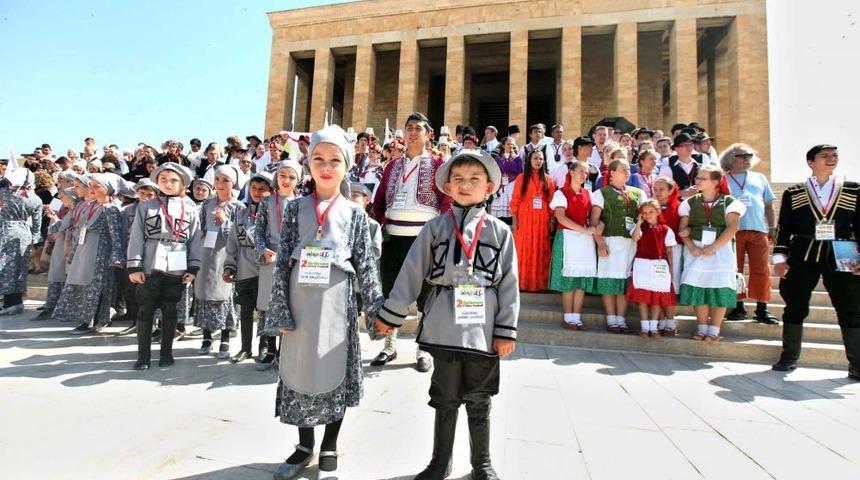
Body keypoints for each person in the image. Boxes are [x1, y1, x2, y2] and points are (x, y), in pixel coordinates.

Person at [375, 148, 518, 480]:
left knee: (480, 399)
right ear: (448, 187)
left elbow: (509, 283)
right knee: (445, 397)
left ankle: (481, 464)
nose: (465, 185)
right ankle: (440, 463)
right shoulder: (435, 228)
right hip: (443, 326)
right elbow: (411, 272)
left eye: (474, 180)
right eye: (458, 179)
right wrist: (392, 314)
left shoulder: (500, 232)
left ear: (489, 187)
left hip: (482, 328)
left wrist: (505, 331)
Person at [263, 125, 383, 480]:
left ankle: (330, 443)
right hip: (300, 301)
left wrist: (377, 310)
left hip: (337, 302)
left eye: (334, 161)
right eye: (318, 159)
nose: (326, 167)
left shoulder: (355, 214)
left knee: (333, 370)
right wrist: (280, 308)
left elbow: (365, 264)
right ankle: (304, 445)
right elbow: (284, 258)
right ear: (308, 164)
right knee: (300, 369)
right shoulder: (296, 208)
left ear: (346, 166)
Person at [772, 144, 860, 380]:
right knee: (795, 305)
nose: (832, 159)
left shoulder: (853, 190)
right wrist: (779, 257)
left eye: (835, 155)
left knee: (850, 308)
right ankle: (789, 357)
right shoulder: (795, 192)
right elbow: (784, 227)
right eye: (825, 156)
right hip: (803, 252)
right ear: (811, 162)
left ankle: (857, 364)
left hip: (842, 253)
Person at [369, 112, 448, 371]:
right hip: (394, 237)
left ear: (428, 135)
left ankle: (423, 348)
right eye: (408, 128)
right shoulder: (392, 166)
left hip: (424, 237)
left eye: (417, 128)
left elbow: (447, 201)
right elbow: (379, 201)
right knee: (392, 292)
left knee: (427, 295)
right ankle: (389, 346)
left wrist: (440, 230)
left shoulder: (438, 165)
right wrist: (380, 223)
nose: (412, 132)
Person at [127, 163, 201, 370]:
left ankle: (166, 353)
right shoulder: (146, 207)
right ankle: (143, 356)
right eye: (163, 179)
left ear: (182, 184)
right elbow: (136, 237)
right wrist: (134, 266)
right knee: (146, 310)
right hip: (151, 263)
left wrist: (193, 268)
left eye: (173, 180)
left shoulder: (190, 208)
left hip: (177, 265)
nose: (168, 184)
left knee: (170, 309)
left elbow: (195, 239)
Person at [678, 164, 746, 341]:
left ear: (716, 181)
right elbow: (683, 229)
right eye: (698, 178)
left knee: (719, 288)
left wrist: (714, 247)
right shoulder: (689, 203)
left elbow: (733, 227)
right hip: (696, 251)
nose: (697, 181)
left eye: (702, 178)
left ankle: (714, 330)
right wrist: (691, 246)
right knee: (698, 287)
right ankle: (701, 328)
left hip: (720, 250)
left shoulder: (730, 202)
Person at [53, 173, 125, 333]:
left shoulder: (111, 209)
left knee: (97, 286)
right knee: (83, 283)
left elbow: (116, 234)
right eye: (90, 185)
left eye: (96, 186)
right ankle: (85, 318)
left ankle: (95, 320)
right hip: (85, 249)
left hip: (100, 251)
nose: (91, 189)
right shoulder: (91, 206)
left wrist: (117, 256)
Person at [720, 144, 779, 324]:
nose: (746, 158)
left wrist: (772, 227)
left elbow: (768, 204)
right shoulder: (723, 179)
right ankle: (738, 306)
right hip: (733, 230)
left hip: (758, 228)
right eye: (741, 155)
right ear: (730, 159)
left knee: (761, 269)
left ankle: (762, 308)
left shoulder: (759, 178)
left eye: (748, 155)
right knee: (734, 270)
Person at [254, 159, 301, 370]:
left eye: (292, 177)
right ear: (277, 177)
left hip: (291, 258)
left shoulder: (301, 203)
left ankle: (285, 352)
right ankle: (269, 349)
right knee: (268, 303)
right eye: (283, 176)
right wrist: (262, 250)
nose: (286, 180)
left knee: (288, 303)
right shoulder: (266, 202)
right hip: (271, 257)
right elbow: (259, 231)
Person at [194, 165, 243, 359]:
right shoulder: (207, 204)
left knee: (224, 292)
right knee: (204, 290)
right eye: (218, 180)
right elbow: (200, 226)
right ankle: (206, 336)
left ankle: (225, 336)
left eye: (226, 181)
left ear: (233, 184)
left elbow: (239, 234)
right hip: (206, 252)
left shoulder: (238, 207)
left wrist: (225, 222)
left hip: (225, 254)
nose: (221, 184)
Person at [223, 172, 273, 363]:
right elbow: (232, 242)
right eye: (254, 188)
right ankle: (245, 348)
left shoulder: (273, 213)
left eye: (262, 189)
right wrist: (230, 266)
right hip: (245, 267)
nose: (257, 192)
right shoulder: (241, 213)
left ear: (270, 191)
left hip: (266, 268)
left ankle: (265, 346)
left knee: (265, 311)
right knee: (245, 310)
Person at [591, 159, 644, 333]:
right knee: (608, 280)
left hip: (630, 243)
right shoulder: (601, 193)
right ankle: (611, 318)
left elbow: (644, 217)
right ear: (612, 173)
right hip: (610, 241)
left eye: (628, 169)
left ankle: (620, 318)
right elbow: (594, 220)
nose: (627, 171)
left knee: (622, 282)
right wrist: (600, 243)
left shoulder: (638, 193)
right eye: (623, 169)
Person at [549, 161, 596, 330]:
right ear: (571, 172)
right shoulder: (561, 193)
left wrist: (593, 230)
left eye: (586, 172)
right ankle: (568, 317)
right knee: (569, 280)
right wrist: (584, 231)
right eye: (581, 171)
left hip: (584, 241)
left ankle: (577, 317)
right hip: (568, 238)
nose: (584, 175)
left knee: (581, 280)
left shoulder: (588, 194)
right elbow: (561, 218)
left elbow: (593, 218)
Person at [627, 199, 678, 337]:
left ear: (657, 212)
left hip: (659, 266)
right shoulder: (640, 228)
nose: (648, 215)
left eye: (651, 212)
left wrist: (671, 270)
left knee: (657, 297)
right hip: (642, 264)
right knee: (643, 298)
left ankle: (654, 327)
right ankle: (644, 326)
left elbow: (669, 251)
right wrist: (638, 223)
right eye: (644, 213)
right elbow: (635, 238)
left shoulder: (666, 229)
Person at [509, 149, 555, 292]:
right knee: (523, 250)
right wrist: (515, 221)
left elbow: (551, 202)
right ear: (529, 160)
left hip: (542, 221)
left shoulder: (548, 179)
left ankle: (540, 285)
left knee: (540, 250)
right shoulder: (521, 178)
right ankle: (522, 284)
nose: (538, 161)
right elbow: (515, 201)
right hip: (525, 219)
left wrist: (551, 221)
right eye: (535, 158)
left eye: (540, 159)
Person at [0, 170, 43, 315]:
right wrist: (34, 241)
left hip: (6, 230)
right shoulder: (35, 199)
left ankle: (9, 303)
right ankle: (15, 302)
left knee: (6, 267)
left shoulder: (8, 194)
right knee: (19, 268)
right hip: (24, 232)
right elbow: (37, 224)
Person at [34, 187, 80, 321]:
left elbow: (64, 230)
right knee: (57, 274)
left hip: (68, 247)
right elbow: (56, 230)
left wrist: (56, 221)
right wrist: (53, 217)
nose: (59, 199)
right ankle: (54, 305)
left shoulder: (75, 211)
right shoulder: (68, 210)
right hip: (60, 245)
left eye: (62, 196)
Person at [653, 177, 682, 335]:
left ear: (671, 190)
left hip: (673, 250)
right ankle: (661, 319)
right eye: (655, 189)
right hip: (653, 251)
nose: (658, 193)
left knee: (670, 285)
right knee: (657, 284)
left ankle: (670, 322)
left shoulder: (679, 207)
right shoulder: (651, 206)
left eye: (662, 189)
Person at [489, 136, 522, 225]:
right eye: (508, 144)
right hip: (501, 185)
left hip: (512, 185)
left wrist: (510, 160)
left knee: (511, 206)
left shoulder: (517, 158)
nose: (510, 146)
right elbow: (496, 172)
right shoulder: (498, 158)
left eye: (512, 144)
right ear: (503, 145)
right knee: (499, 211)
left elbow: (520, 172)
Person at [659, 133, 700, 199]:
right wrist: (684, 192)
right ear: (676, 148)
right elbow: (661, 190)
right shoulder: (668, 167)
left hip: (698, 206)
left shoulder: (700, 166)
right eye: (685, 145)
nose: (689, 147)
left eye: (691, 144)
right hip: (677, 207)